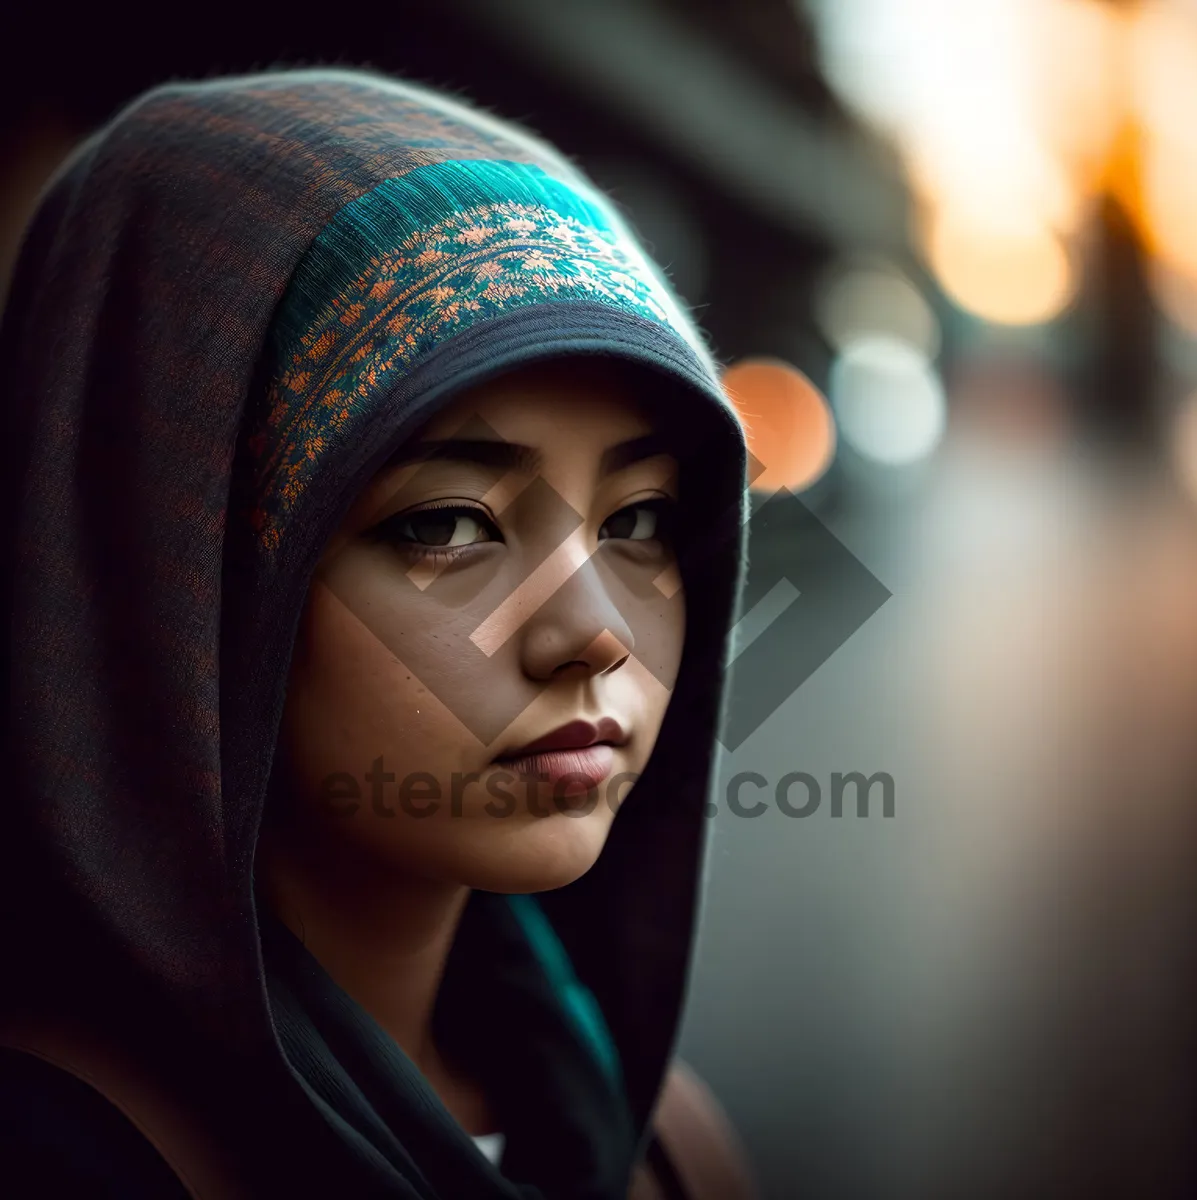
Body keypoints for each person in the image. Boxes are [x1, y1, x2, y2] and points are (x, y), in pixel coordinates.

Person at [0, 68, 755, 1199]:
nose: (598, 637)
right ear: (169, 569)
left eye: (638, 520)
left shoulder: (661, 1143)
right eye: (447, 525)